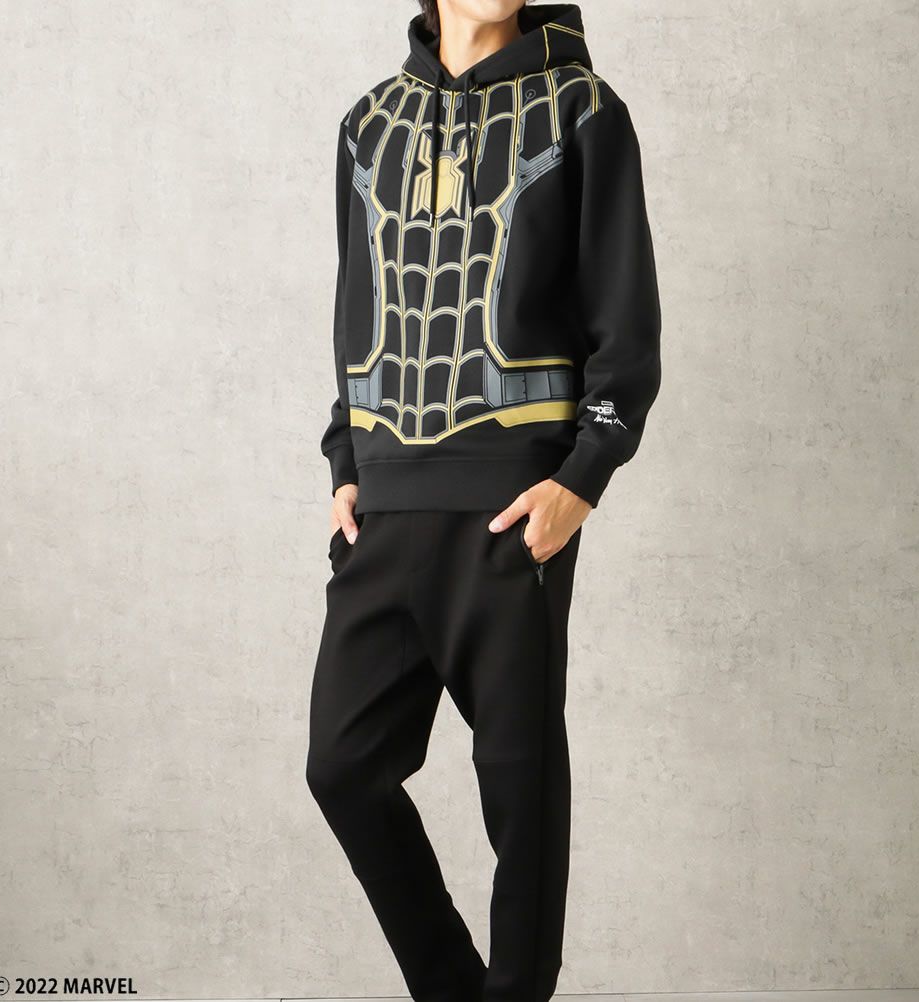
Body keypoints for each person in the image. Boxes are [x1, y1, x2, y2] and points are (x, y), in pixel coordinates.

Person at [305, 1, 662, 999]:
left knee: (520, 789)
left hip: (515, 512)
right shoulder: (368, 125)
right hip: (384, 510)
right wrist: (344, 461)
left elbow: (628, 328)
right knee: (343, 767)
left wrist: (580, 481)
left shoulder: (585, 110)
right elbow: (357, 311)